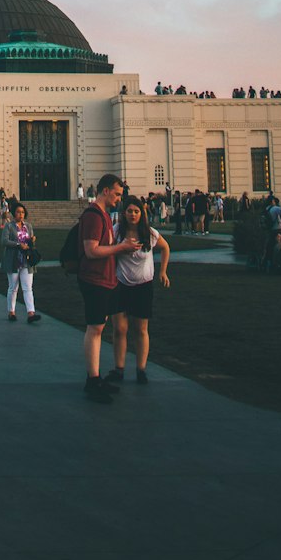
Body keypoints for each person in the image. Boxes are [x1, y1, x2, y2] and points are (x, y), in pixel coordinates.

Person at [78, 173, 141, 404]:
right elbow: (91, 251)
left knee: (99, 328)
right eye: (116, 194)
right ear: (105, 191)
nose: (118, 199)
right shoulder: (94, 216)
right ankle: (92, 380)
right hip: (94, 280)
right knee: (94, 329)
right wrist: (120, 248)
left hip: (104, 280)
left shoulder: (104, 215)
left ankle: (95, 377)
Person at [108, 197, 170, 385]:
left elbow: (165, 247)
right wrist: (121, 248)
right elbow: (107, 250)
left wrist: (163, 271)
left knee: (141, 329)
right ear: (124, 213)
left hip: (143, 287)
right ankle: (119, 369)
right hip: (120, 285)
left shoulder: (149, 233)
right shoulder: (117, 231)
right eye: (129, 211)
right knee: (120, 329)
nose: (133, 214)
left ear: (141, 213)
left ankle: (141, 369)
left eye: (136, 211)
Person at [0, 202, 42, 323]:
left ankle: (31, 313)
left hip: (26, 261)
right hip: (13, 260)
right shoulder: (9, 226)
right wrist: (18, 244)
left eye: (23, 212)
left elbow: (30, 243)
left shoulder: (28, 226)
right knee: (13, 288)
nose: (21, 214)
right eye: (18, 212)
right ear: (14, 213)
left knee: (28, 287)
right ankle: (11, 312)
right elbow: (4, 241)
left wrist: (31, 240)